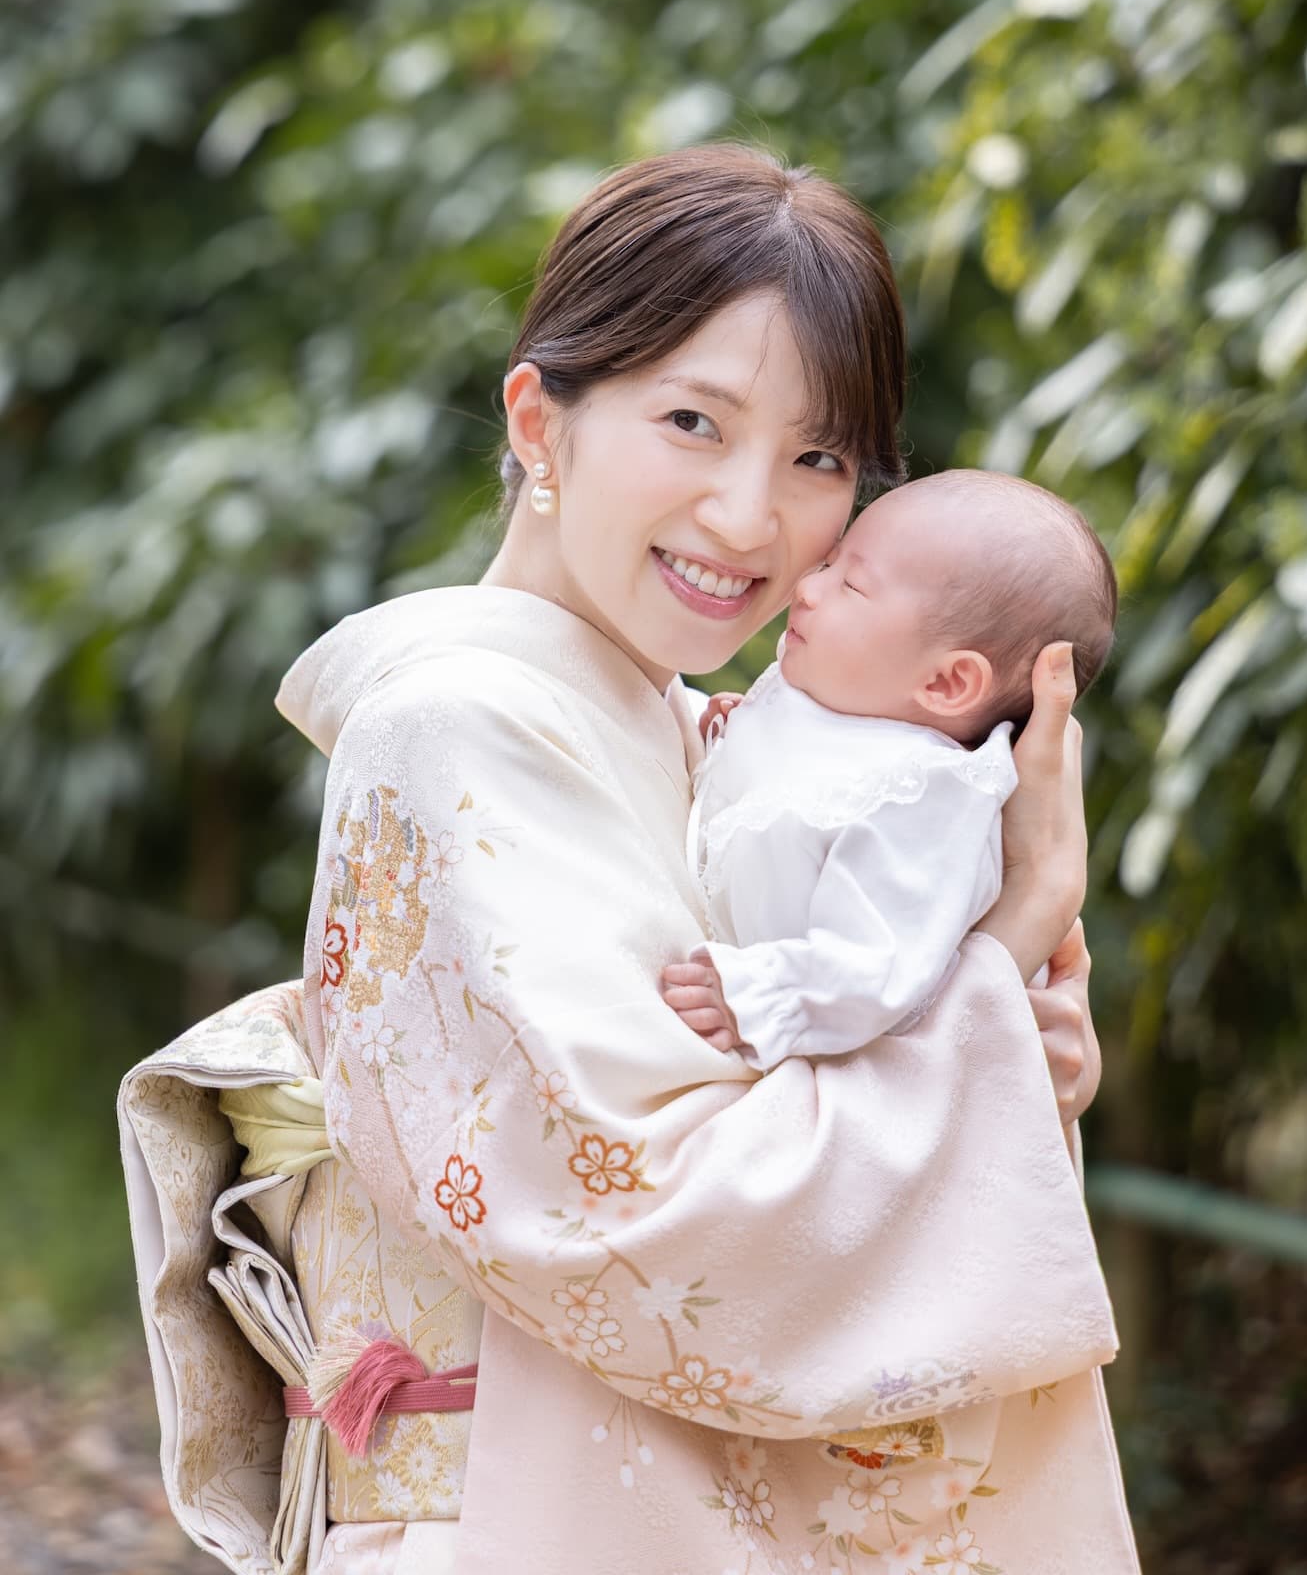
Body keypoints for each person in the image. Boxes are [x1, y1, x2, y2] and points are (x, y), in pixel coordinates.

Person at [119, 142, 1139, 1575]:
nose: (749, 519)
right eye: (690, 422)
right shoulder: (457, 728)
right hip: (499, 1523)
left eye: (817, 457)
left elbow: (948, 1085)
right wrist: (1016, 928)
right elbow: (653, 1218)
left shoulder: (713, 738)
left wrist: (1000, 1023)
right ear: (543, 420)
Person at [663, 469, 1118, 1068]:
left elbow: (874, 963)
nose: (807, 587)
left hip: (848, 1065)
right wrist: (730, 734)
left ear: (947, 682)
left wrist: (759, 995)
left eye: (850, 584)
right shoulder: (838, 692)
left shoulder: (923, 800)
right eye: (829, 564)